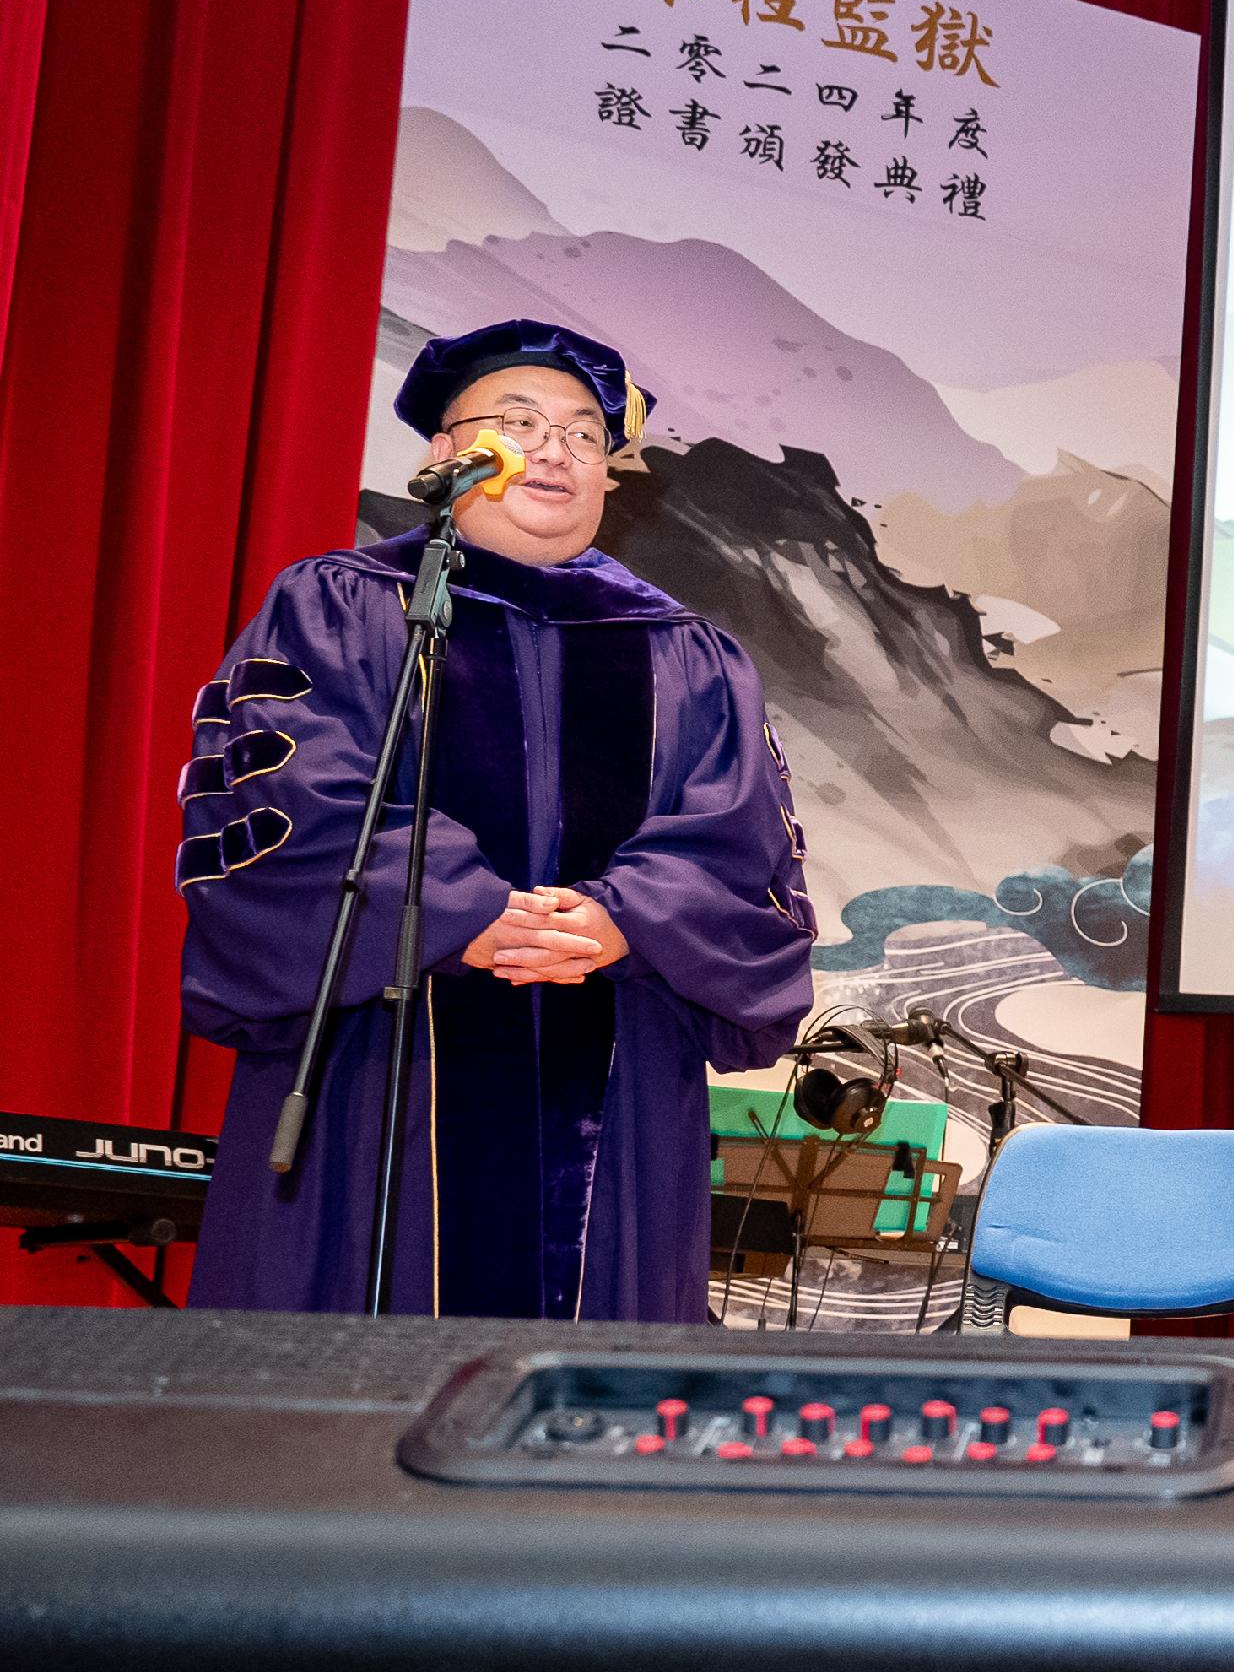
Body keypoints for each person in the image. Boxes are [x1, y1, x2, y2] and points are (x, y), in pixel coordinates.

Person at [181, 321, 813, 1321]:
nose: (557, 450)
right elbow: (281, 802)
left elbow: (743, 846)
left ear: (613, 479)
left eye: (586, 436)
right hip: (383, 1055)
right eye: (519, 424)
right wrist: (454, 907)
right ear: (445, 453)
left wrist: (627, 918)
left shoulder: (690, 652)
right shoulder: (342, 607)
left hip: (619, 1057)